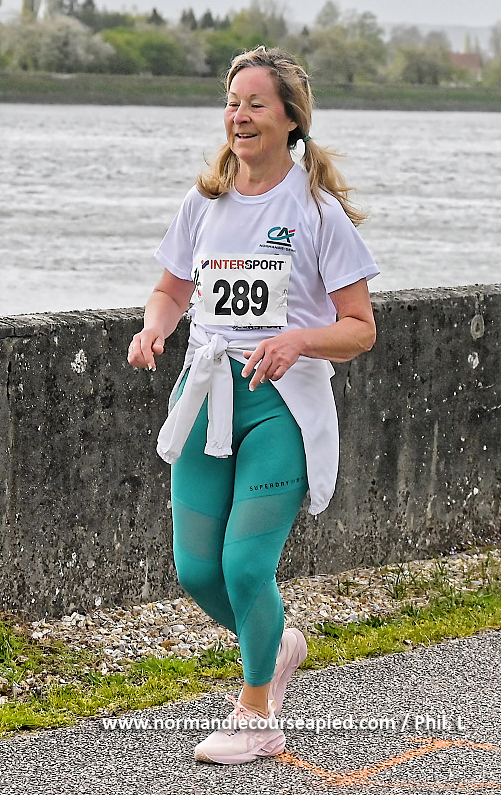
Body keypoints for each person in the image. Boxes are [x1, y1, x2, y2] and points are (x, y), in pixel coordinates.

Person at [127, 46, 379, 765]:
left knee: (244, 569)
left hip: (279, 406)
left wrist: (299, 340)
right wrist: (154, 328)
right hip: (205, 397)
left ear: (291, 118)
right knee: (197, 572)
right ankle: (276, 645)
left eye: (255, 104)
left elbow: (360, 329)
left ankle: (257, 713)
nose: (238, 116)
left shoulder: (318, 213)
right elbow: (171, 290)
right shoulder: (203, 202)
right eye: (232, 103)